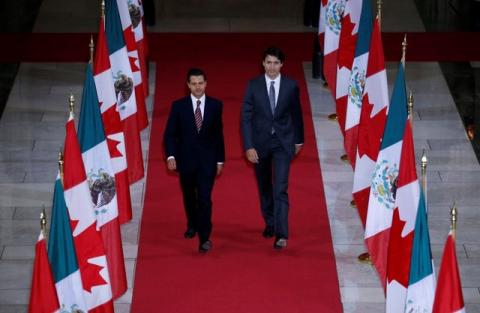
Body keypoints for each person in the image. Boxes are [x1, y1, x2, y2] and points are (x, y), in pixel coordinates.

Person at [241, 47, 304, 249]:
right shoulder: (253, 85)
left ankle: (281, 233)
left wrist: (299, 140)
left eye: (276, 63)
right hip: (260, 145)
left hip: (282, 144)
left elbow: (297, 114)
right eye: (268, 62)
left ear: (282, 65)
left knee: (281, 188)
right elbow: (245, 118)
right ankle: (270, 222)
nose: (272, 67)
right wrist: (249, 146)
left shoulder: (291, 85)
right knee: (265, 187)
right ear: (263, 64)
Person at [163, 68, 225, 253]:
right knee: (190, 197)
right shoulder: (178, 106)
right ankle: (192, 224)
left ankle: (205, 237)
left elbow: (218, 135)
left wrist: (220, 160)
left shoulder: (216, 105)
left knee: (205, 198)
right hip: (186, 161)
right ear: (188, 85)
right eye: (194, 83)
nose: (198, 87)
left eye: (201, 83)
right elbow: (169, 135)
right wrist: (171, 156)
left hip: (207, 162)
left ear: (206, 84)